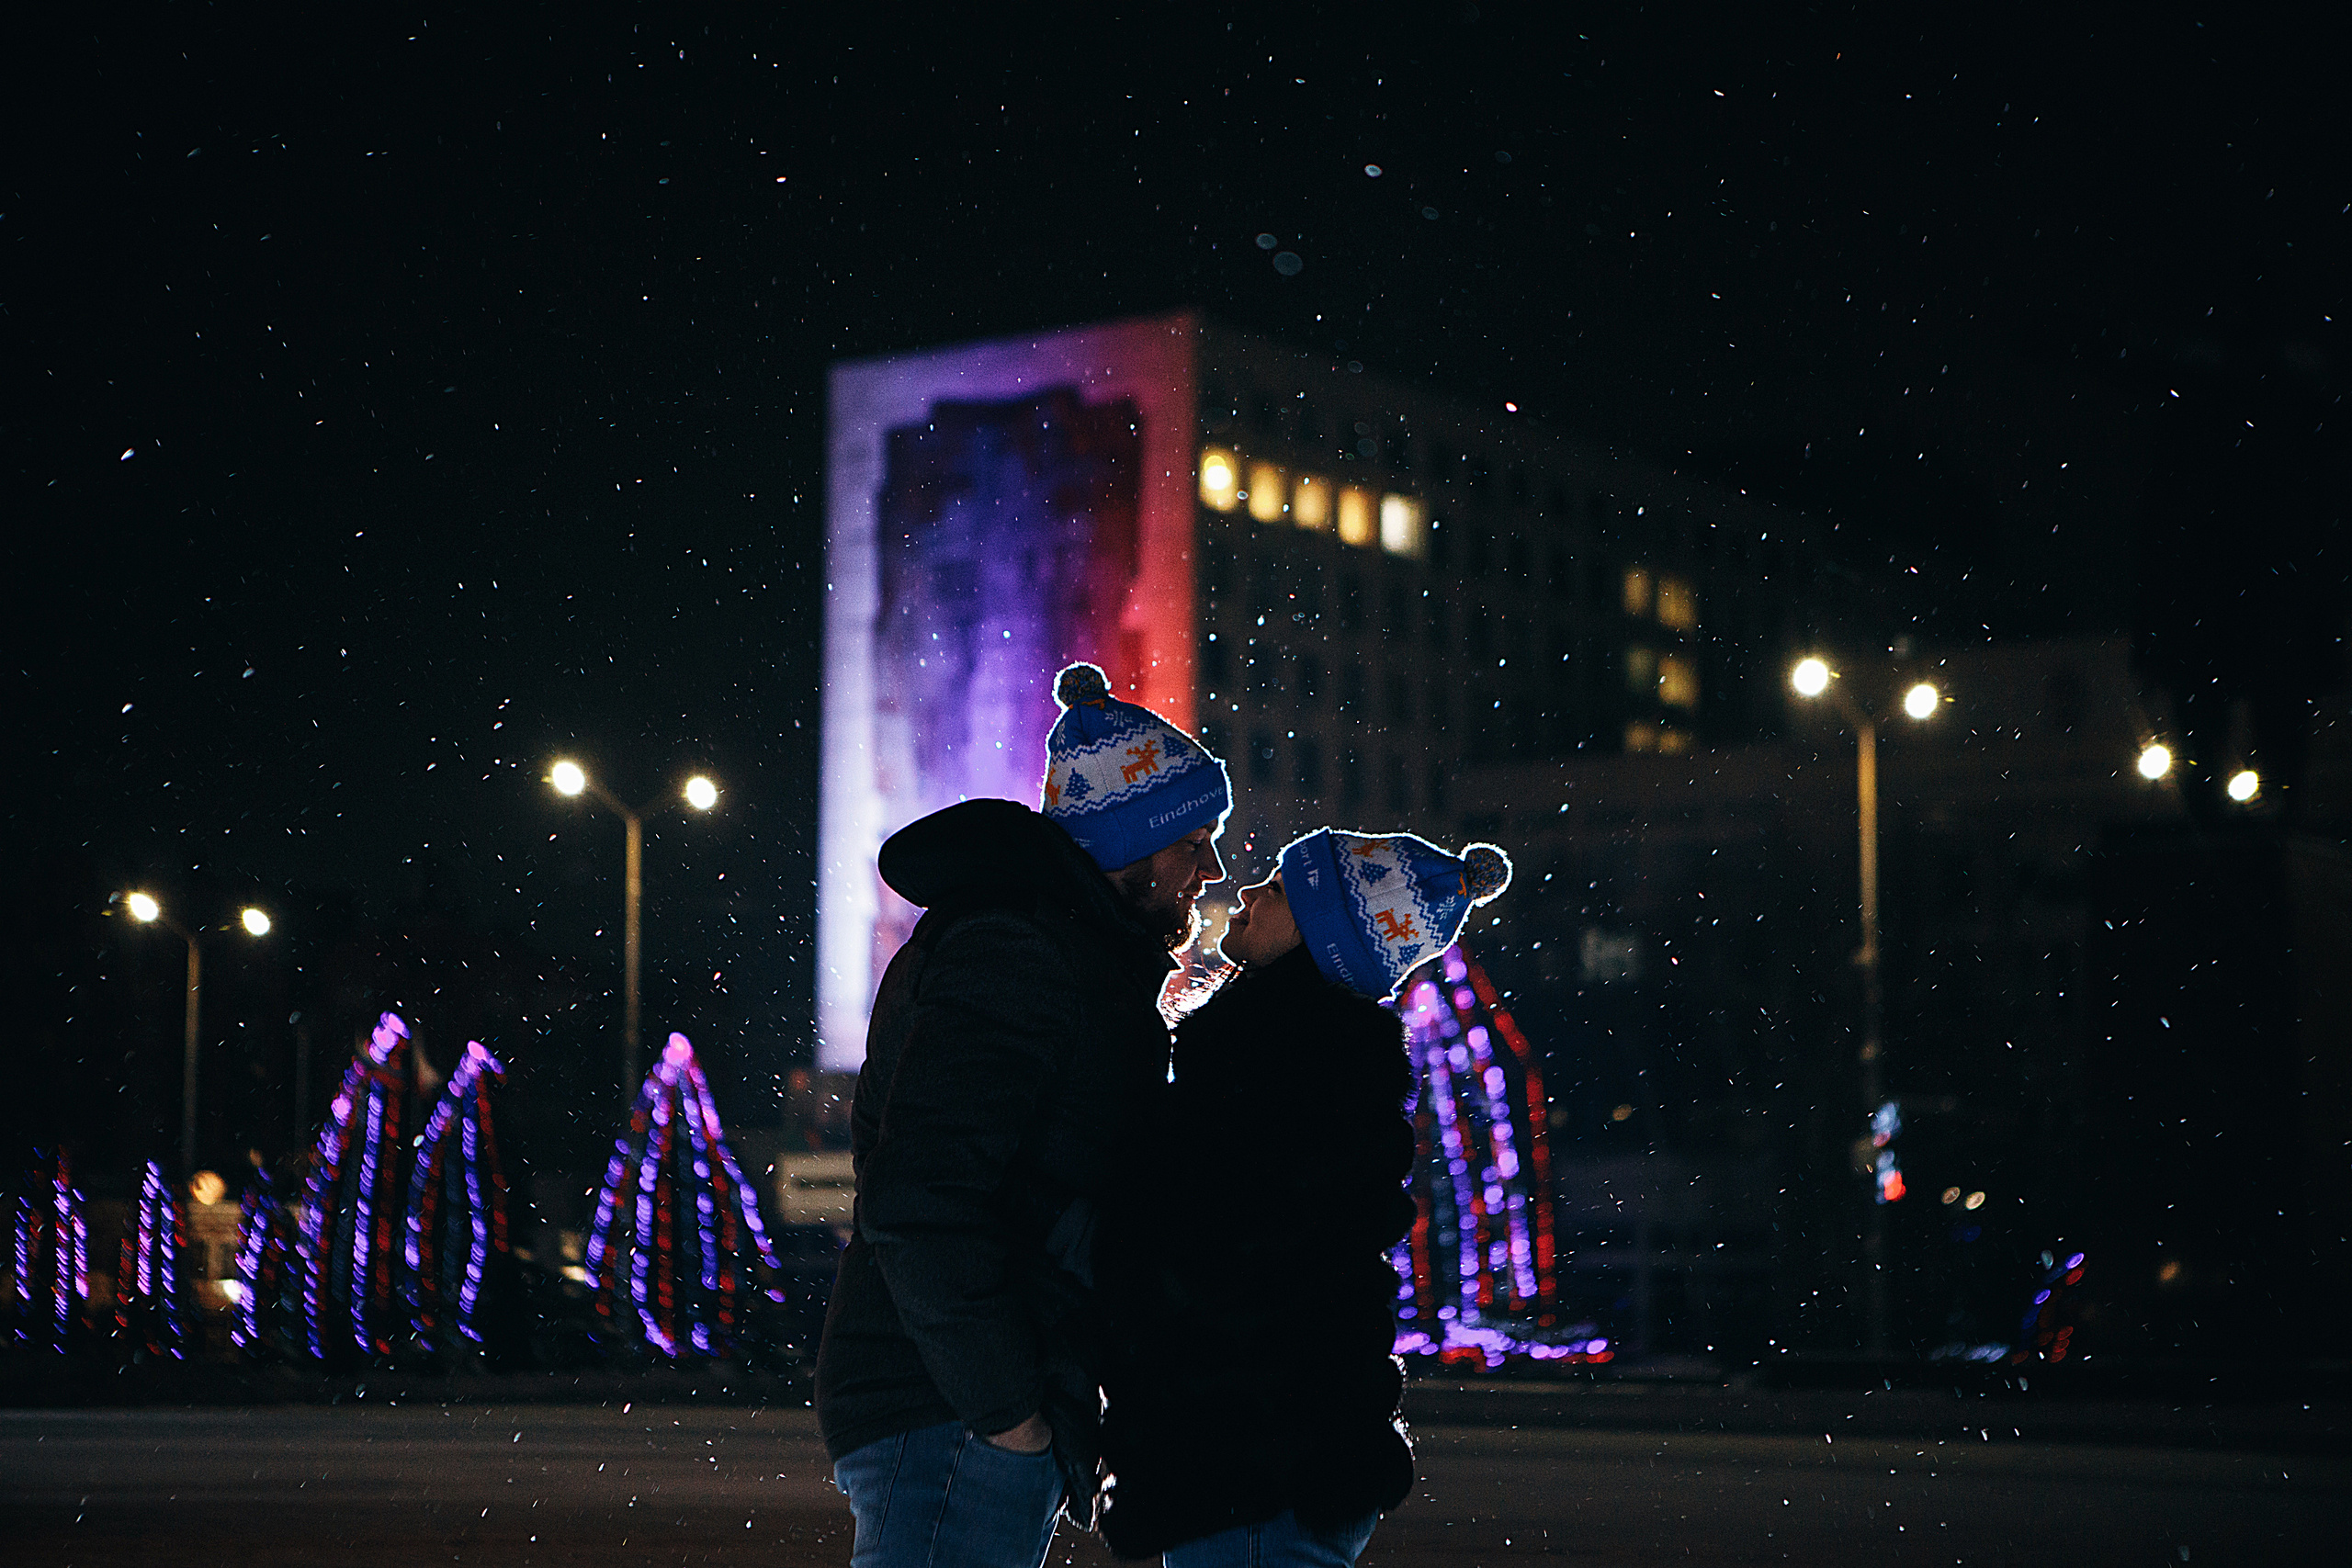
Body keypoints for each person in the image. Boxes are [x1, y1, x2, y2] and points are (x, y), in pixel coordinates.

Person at [817, 661, 1231, 1568]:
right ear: (1131, 838)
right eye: (1193, 840)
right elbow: (920, 1196)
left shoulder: (1060, 950)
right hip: (951, 1409)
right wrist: (1008, 1410)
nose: (1211, 870)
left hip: (963, 1400)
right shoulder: (1018, 952)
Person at [1097, 828, 1512, 1567]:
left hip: (1249, 1468)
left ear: (1325, 938)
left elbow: (1216, 1256)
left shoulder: (1278, 1058)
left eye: (1282, 889)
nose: (1249, 893)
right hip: (1275, 1465)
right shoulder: (1303, 1052)